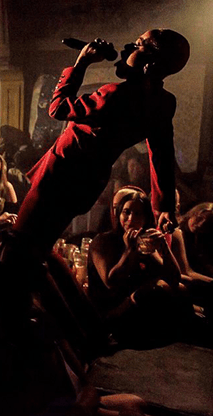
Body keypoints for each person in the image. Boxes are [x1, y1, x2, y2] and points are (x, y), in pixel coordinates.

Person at [13, 29, 191, 255]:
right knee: (40, 246)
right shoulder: (163, 102)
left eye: (138, 44)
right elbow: (162, 154)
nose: (128, 47)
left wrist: (81, 63)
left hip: (59, 178)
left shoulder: (114, 94)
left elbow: (58, 108)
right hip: (87, 183)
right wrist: (165, 207)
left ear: (151, 63)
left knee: (19, 243)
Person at [88, 189, 190, 344]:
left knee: (178, 289)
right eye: (126, 212)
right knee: (153, 290)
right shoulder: (103, 241)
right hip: (108, 310)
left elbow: (174, 279)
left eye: (137, 214)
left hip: (133, 309)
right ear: (119, 214)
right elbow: (110, 283)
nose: (131, 219)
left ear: (145, 218)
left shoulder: (143, 242)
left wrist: (164, 247)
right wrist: (129, 251)